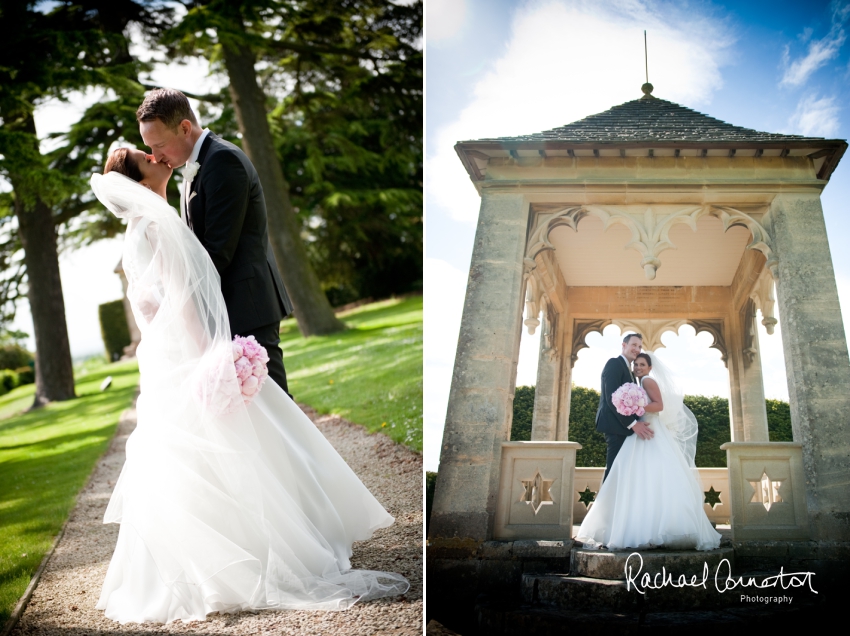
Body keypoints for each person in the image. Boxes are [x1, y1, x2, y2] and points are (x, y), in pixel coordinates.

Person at [90, 153, 408, 624]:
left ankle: (205, 564)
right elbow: (181, 300)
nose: (156, 157)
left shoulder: (139, 229)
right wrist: (212, 355)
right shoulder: (157, 223)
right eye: (145, 157)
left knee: (196, 452)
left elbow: (148, 303)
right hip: (186, 351)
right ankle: (254, 554)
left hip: (162, 359)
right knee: (231, 443)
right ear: (138, 179)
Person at [136, 88, 293, 396]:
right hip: (224, 305)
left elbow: (217, 251)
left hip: (247, 306)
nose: (156, 156)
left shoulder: (222, 161)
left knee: (276, 405)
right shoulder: (194, 167)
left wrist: (177, 302)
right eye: (149, 148)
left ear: (184, 128)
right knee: (255, 415)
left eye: (159, 144)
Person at [576, 351, 721, 551]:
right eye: (636, 364)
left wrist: (636, 406)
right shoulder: (638, 383)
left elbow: (659, 405)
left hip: (651, 431)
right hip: (641, 431)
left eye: (642, 364)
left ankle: (657, 528)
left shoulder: (647, 382)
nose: (638, 368)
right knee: (638, 476)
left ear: (650, 367)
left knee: (653, 474)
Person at [596, 333, 654, 482]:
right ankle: (606, 505)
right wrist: (633, 424)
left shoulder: (629, 370)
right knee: (614, 472)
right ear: (624, 345)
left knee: (622, 473)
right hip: (616, 427)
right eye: (634, 345)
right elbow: (611, 399)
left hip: (623, 428)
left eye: (640, 346)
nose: (637, 349)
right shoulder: (614, 363)